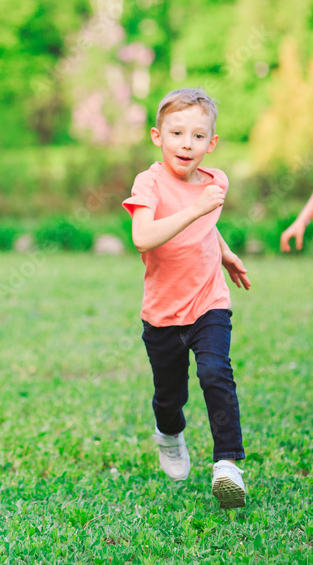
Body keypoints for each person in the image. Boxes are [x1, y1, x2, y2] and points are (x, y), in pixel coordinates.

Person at [122, 87, 251, 509]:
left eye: (198, 136)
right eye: (177, 133)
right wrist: (195, 210)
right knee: (169, 395)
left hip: (209, 300)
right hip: (163, 314)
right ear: (158, 136)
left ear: (210, 144)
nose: (187, 143)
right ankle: (170, 433)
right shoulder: (150, 182)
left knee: (216, 372)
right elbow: (142, 237)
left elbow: (206, 228)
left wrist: (226, 254)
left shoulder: (215, 183)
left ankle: (228, 464)